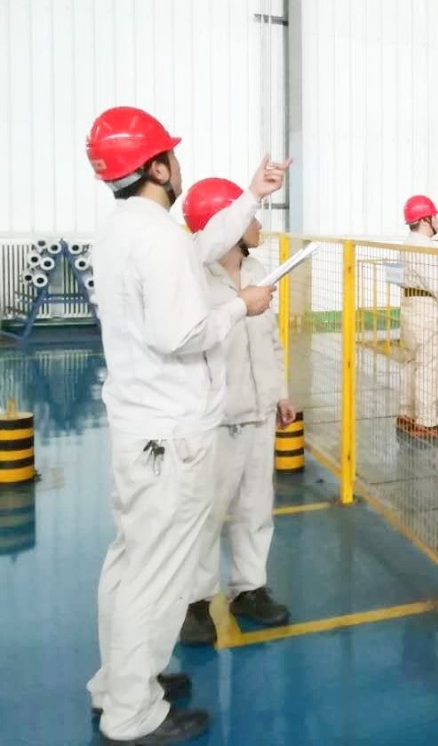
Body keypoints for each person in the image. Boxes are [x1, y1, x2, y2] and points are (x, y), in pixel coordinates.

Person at [85, 105, 289, 746]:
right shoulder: (157, 238)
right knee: (155, 576)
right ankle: (131, 714)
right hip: (171, 435)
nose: (179, 164)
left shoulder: (123, 231)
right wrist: (240, 306)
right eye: (171, 155)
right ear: (157, 167)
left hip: (139, 428)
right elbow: (183, 333)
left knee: (129, 564)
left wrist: (251, 194)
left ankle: (118, 684)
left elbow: (198, 248)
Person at [177, 177, 295, 647]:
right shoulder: (193, 279)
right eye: (249, 216)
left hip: (260, 412)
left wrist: (281, 393)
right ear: (222, 224)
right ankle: (195, 601)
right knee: (206, 513)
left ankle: (249, 587)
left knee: (255, 508)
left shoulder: (259, 268)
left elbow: (270, 339)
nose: (257, 224)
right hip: (216, 418)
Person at [397, 195, 438, 439]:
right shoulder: (426, 248)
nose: (437, 220)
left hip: (409, 307)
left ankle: (406, 414)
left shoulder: (406, 244)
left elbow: (398, 277)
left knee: (411, 363)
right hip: (428, 311)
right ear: (425, 219)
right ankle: (427, 422)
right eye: (434, 216)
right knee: (429, 366)